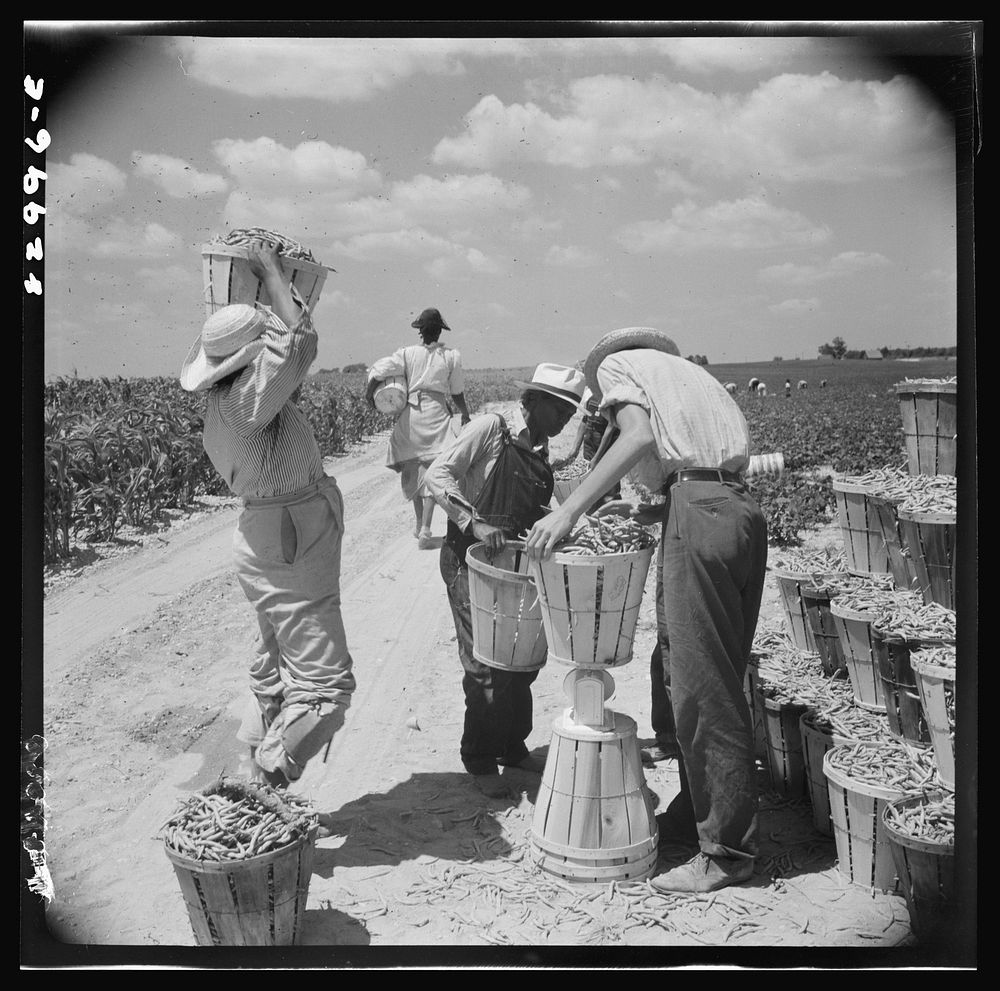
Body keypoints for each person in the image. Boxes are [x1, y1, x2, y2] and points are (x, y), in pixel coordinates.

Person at [525, 328, 768, 893]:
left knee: (701, 684)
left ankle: (728, 852)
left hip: (699, 514)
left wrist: (570, 511)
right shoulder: (694, 377)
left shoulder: (620, 368)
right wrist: (655, 515)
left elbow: (637, 436)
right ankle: (696, 813)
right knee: (691, 666)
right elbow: (712, 468)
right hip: (736, 510)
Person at [179, 239, 356, 789]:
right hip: (290, 536)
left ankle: (251, 769)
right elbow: (300, 342)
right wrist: (273, 274)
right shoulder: (246, 401)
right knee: (327, 688)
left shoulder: (225, 401)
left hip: (268, 535)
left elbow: (286, 361)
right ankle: (265, 788)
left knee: (275, 658)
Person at [424, 363, 587, 798]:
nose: (565, 419)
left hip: (515, 568)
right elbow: (436, 475)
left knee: (521, 661)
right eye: (559, 409)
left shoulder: (540, 449)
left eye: (570, 413)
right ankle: (479, 757)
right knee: (484, 664)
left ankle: (512, 748)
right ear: (533, 400)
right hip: (470, 561)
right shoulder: (490, 429)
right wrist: (473, 522)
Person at [366, 307, 471, 549]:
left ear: (420, 332)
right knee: (434, 470)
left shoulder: (406, 354)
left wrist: (370, 395)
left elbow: (379, 371)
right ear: (440, 331)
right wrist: (465, 414)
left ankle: (418, 524)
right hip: (436, 415)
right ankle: (426, 528)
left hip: (411, 416)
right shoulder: (450, 356)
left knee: (413, 469)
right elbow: (457, 392)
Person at [551, 387, 622, 510]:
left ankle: (612, 513)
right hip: (590, 442)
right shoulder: (591, 396)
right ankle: (593, 511)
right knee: (589, 481)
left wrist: (597, 457)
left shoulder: (613, 398)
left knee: (608, 481)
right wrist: (575, 449)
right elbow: (585, 421)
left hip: (606, 446)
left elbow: (610, 429)